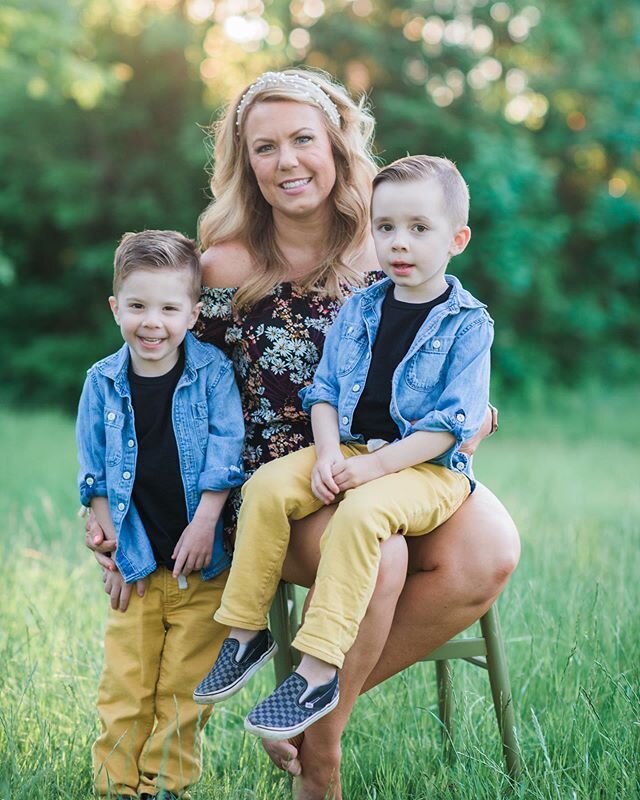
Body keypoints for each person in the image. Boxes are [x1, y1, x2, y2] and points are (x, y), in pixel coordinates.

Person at [87, 69, 520, 800]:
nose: (286, 161)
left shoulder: (390, 242)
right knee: (377, 555)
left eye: (301, 140)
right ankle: (322, 767)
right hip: (278, 483)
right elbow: (157, 391)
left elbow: (445, 353)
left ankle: (310, 718)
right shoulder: (220, 266)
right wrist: (110, 506)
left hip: (392, 461)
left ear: (337, 144)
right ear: (244, 162)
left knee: (490, 549)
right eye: (264, 147)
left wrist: (469, 419)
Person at [193, 154, 493, 744]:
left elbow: (451, 426)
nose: (398, 244)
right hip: (353, 448)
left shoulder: (468, 323)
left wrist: (375, 470)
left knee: (360, 515)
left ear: (456, 239)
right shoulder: (362, 305)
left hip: (425, 469)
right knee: (269, 486)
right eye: (386, 229)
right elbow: (324, 391)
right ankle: (245, 631)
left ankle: (319, 668)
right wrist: (329, 454)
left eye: (419, 229)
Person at [76, 230, 245, 800]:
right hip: (138, 570)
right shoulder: (101, 383)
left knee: (183, 690)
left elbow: (227, 450)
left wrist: (206, 520)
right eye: (138, 305)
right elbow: (95, 475)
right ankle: (117, 786)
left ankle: (167, 786)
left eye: (170, 308)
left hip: (203, 568)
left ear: (194, 313)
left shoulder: (213, 373)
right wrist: (113, 552)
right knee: (125, 687)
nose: (153, 322)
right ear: (114, 307)